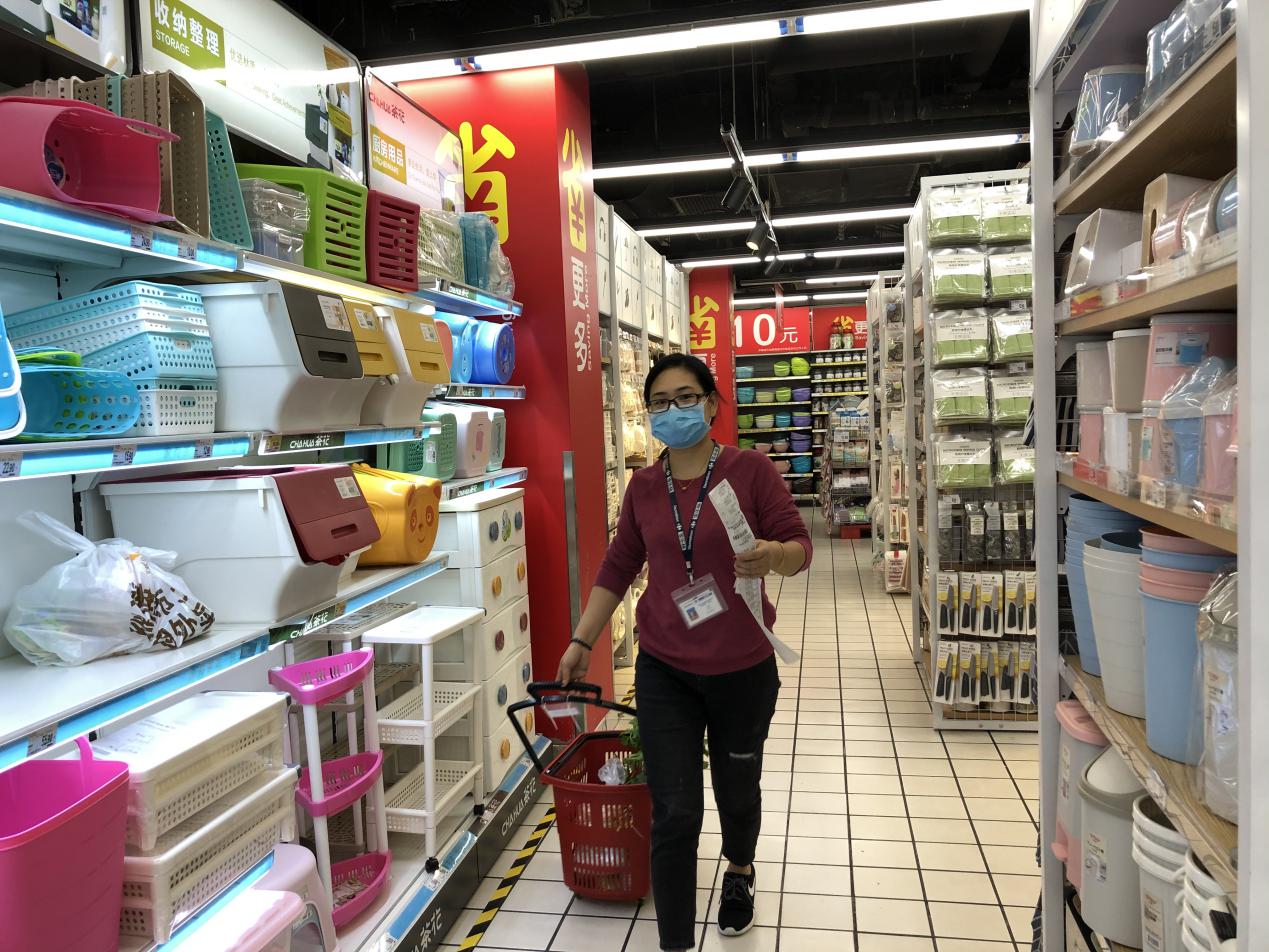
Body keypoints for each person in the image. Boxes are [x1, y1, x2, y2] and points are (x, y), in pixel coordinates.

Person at [557, 353, 812, 951]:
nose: (673, 410)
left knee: (737, 787)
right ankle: (675, 943)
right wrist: (581, 640)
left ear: (712, 404)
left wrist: (773, 556)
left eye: (686, 397)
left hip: (742, 667)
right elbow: (619, 565)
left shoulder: (751, 471)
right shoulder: (645, 487)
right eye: (660, 402)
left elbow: (800, 545)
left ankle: (740, 870)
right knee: (674, 810)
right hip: (664, 668)